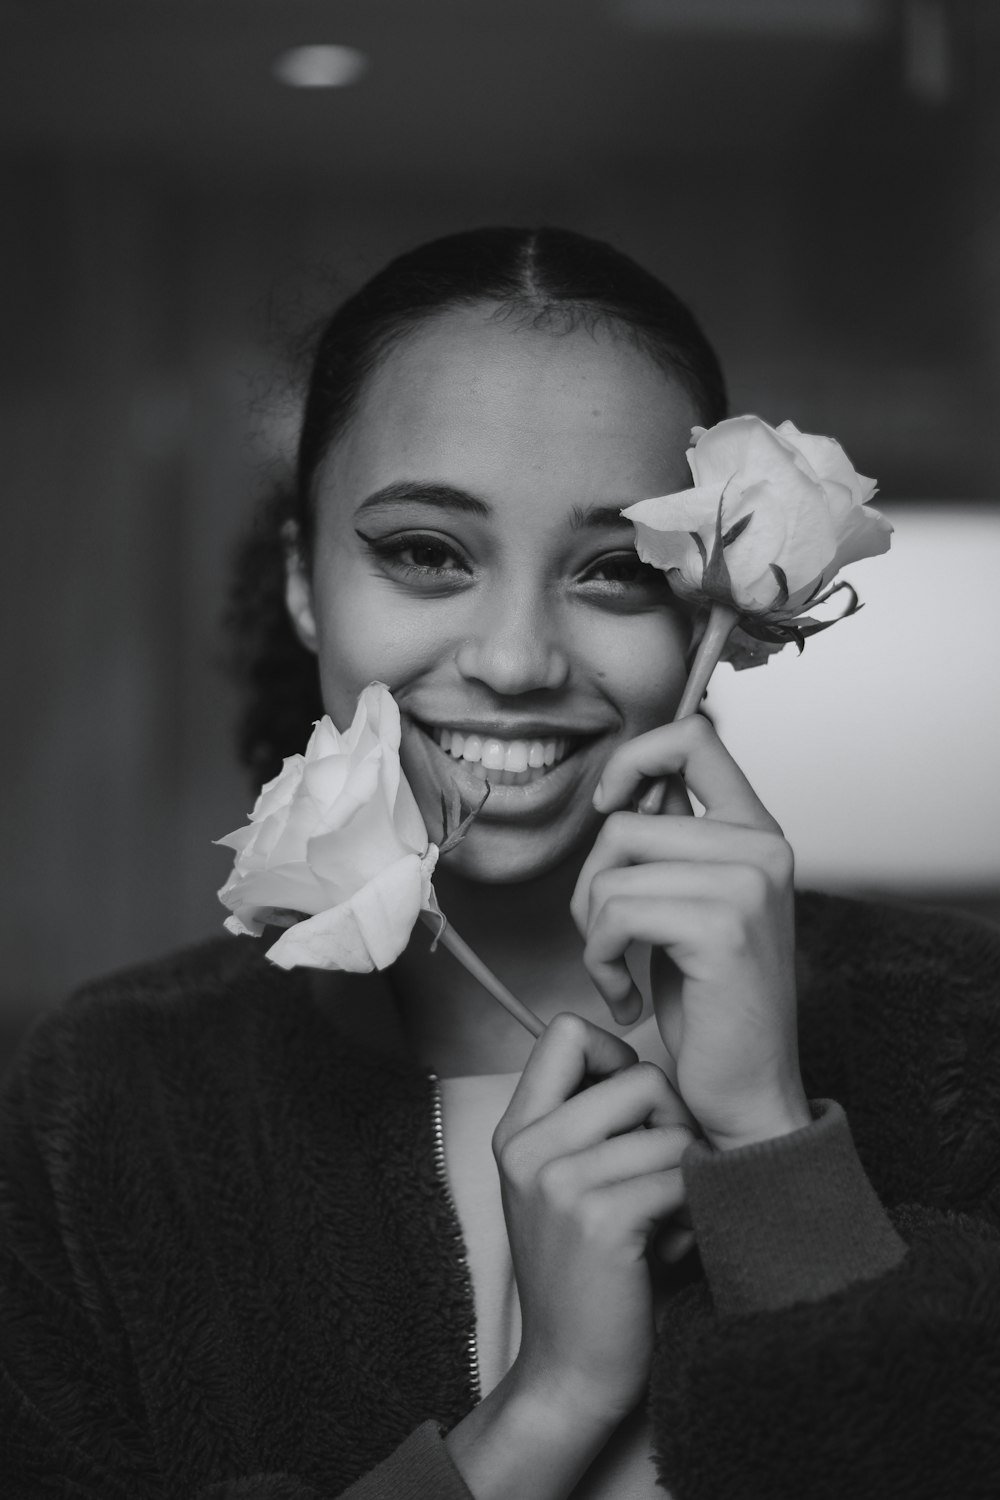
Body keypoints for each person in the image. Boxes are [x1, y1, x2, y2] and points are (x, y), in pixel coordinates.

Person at [2, 227, 998, 1500]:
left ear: (713, 604)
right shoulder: (111, 1102)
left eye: (618, 569)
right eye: (425, 551)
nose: (519, 659)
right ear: (305, 582)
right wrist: (548, 1404)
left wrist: (768, 1149)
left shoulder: (959, 1022)